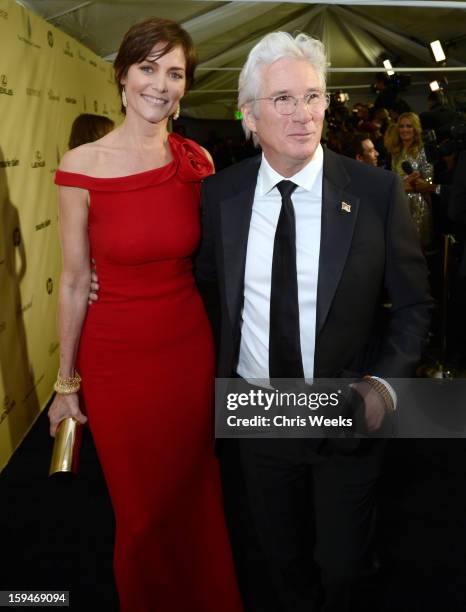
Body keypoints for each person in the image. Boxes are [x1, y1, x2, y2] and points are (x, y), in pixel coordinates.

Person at [195, 32, 431, 612]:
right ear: (249, 113)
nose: (303, 115)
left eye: (314, 97)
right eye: (282, 99)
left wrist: (382, 385)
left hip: (344, 412)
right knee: (278, 559)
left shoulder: (375, 192)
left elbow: (414, 308)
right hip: (256, 415)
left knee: (345, 565)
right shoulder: (219, 196)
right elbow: (202, 290)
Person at [48, 17, 242, 612]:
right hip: (115, 358)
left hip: (186, 348)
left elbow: (217, 262)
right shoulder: (81, 165)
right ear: (123, 75)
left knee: (193, 490)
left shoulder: (197, 161)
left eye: (175, 72)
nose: (161, 84)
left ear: (186, 86)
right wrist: (65, 382)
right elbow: (77, 278)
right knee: (140, 511)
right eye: (148, 68)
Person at [388, 112, 435, 250]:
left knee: (417, 248)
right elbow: (393, 177)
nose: (404, 130)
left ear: (416, 129)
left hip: (418, 204)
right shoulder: (395, 151)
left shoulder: (424, 150)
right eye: (401, 126)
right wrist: (403, 185)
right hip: (399, 203)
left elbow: (428, 180)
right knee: (400, 248)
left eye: (409, 126)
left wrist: (404, 185)